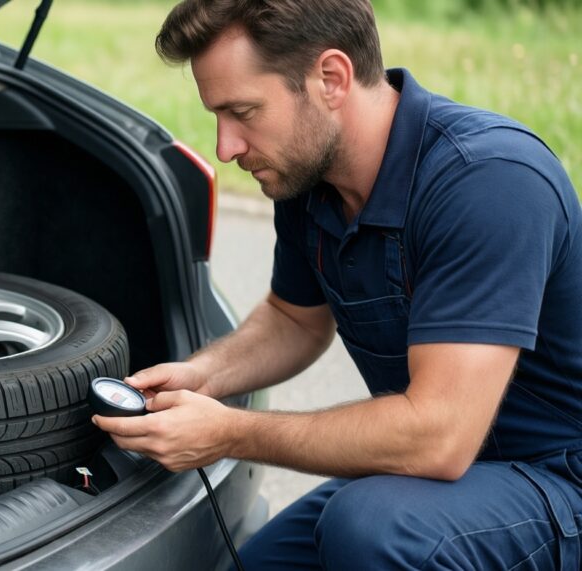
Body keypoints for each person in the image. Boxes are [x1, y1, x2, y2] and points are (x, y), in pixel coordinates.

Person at [91, 0, 582, 568]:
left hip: (557, 479)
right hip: (449, 480)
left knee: (372, 529)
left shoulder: (488, 181)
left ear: (331, 78)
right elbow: (294, 319)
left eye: (243, 111)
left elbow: (437, 436)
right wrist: (202, 376)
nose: (226, 148)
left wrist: (229, 432)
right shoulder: (306, 178)